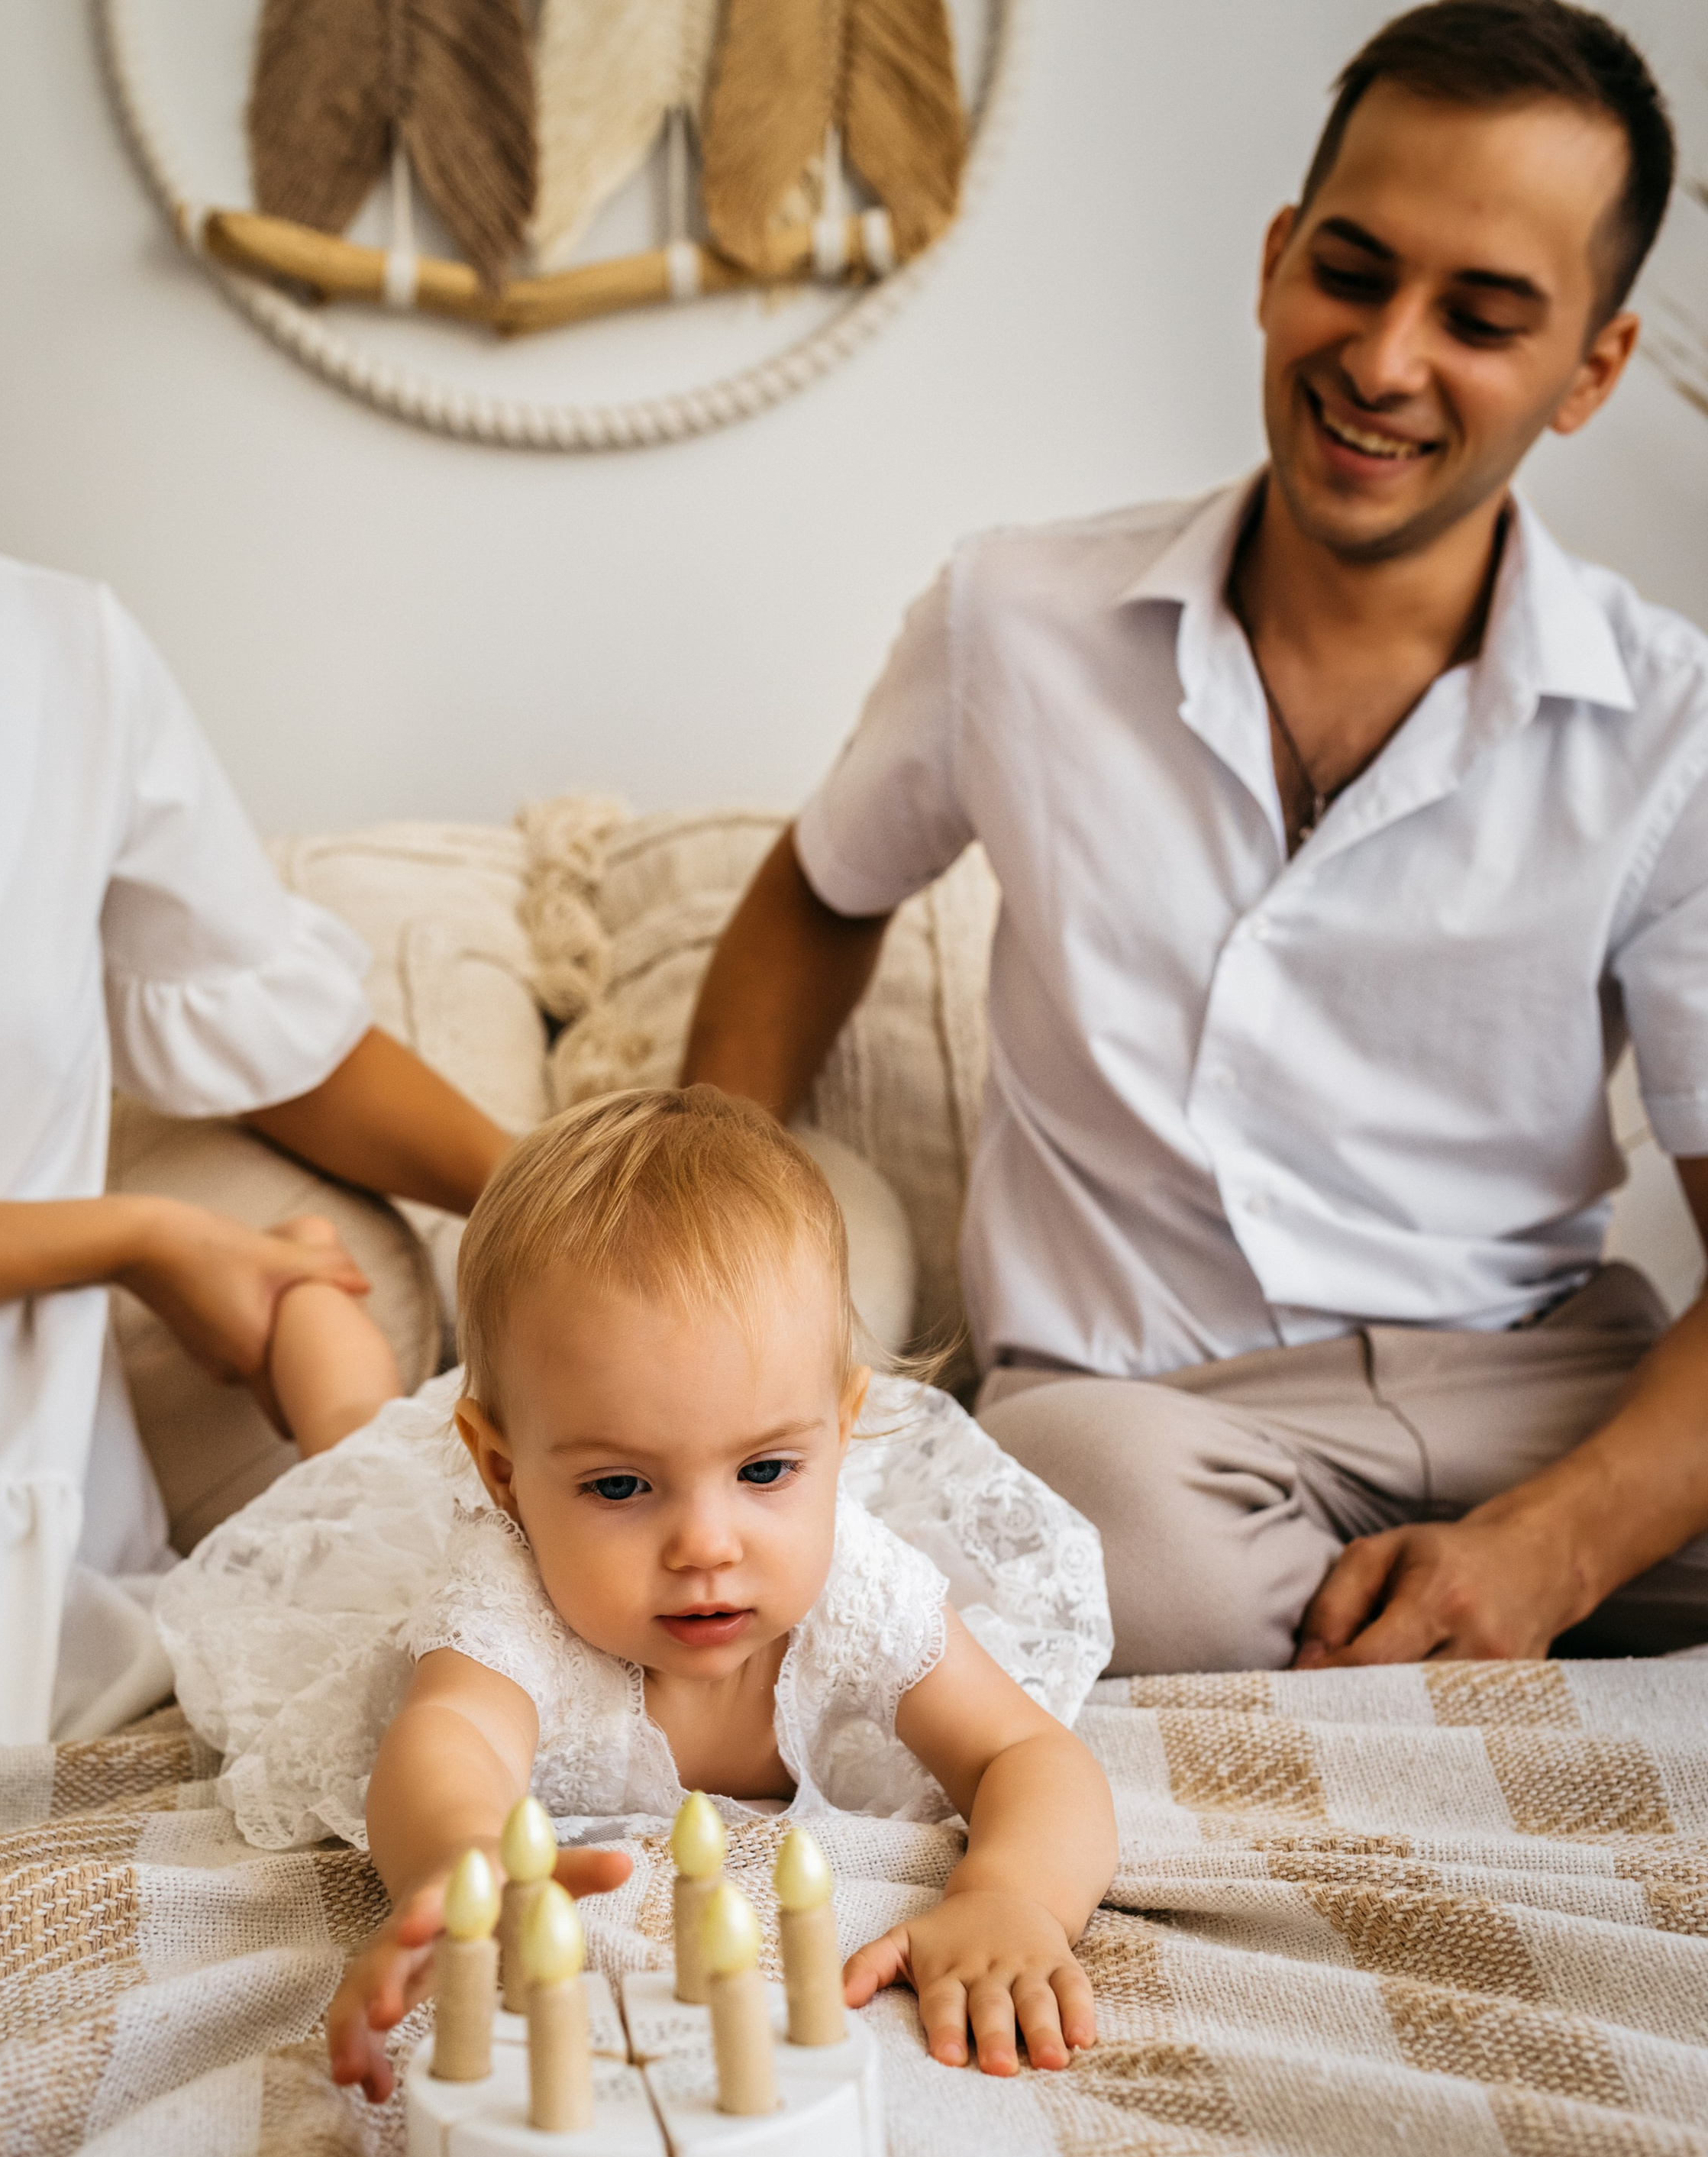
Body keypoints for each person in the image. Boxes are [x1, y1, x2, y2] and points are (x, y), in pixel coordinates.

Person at [683, 0, 1708, 1677]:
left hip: (1538, 1386)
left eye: (1481, 317)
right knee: (1111, 1559)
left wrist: (1550, 1550)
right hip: (1141, 1422)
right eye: (1352, 271)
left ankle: (1431, 1620)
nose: (1381, 360)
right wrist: (703, 1240)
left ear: (1589, 369)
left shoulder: (1667, 730)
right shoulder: (1009, 619)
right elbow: (817, 893)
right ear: (1271, 258)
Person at [0, 5, 512, 1781]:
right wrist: (133, 1233)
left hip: (32, 1510)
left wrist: (557, 1194)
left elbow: (279, 1033)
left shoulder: (61, 655)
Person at [153, 1087, 1118, 2085]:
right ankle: (312, 1300)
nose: (706, 1544)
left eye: (765, 1472)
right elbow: (448, 1745)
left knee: (374, 1439)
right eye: (621, 1485)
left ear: (839, 1430)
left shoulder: (856, 1588)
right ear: (505, 1476)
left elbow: (1025, 1754)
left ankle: (331, 1315)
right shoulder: (508, 1598)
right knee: (360, 1446)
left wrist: (1012, 1894)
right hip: (419, 1520)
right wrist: (459, 1871)